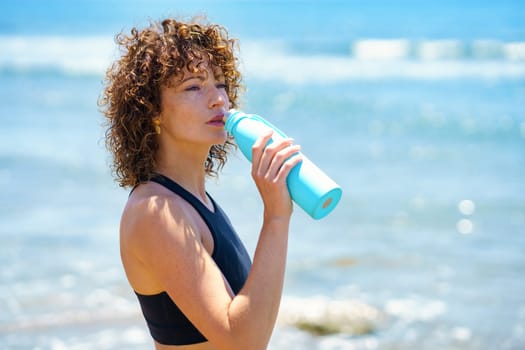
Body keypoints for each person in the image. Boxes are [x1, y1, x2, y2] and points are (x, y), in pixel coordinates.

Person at [100, 17, 302, 350]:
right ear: (151, 110)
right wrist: (276, 217)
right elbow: (242, 341)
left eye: (220, 84)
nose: (218, 100)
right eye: (193, 87)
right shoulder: (156, 211)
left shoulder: (195, 201)